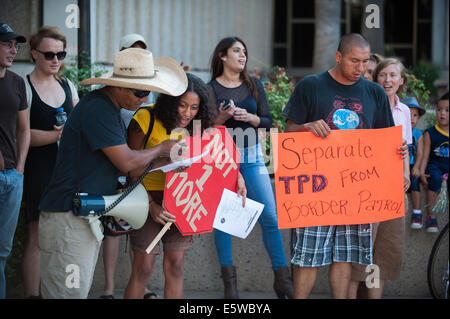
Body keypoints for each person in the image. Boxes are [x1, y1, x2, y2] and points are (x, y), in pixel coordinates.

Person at [37, 48, 188, 299]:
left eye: (149, 91)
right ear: (119, 86)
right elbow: (127, 161)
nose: (145, 97)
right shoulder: (100, 108)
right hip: (69, 215)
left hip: (80, 213)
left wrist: (163, 157)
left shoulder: (107, 107)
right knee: (68, 294)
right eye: (140, 91)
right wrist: (161, 148)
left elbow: (123, 163)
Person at [282, 33, 405, 299]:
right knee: (308, 257)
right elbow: (287, 133)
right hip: (316, 190)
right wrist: (306, 127)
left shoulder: (374, 93)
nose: (360, 68)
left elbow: (384, 141)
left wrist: (399, 151)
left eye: (364, 62)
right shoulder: (311, 85)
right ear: (338, 57)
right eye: (353, 61)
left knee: (345, 256)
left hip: (356, 191)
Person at [124, 73, 246, 299]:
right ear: (171, 101)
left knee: (177, 265)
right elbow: (129, 167)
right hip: (145, 196)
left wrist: (237, 178)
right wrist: (151, 204)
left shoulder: (199, 125)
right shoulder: (145, 118)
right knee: (143, 267)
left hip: (183, 198)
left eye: (194, 107)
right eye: (182, 105)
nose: (187, 113)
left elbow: (219, 159)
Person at [208, 36, 294, 299]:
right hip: (222, 158)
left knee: (270, 215)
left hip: (253, 154)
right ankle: (229, 284)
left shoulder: (253, 84)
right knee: (222, 220)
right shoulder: (210, 88)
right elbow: (205, 128)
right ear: (222, 56)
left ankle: (282, 279)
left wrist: (251, 117)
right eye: (236, 51)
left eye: (244, 51)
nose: (243, 56)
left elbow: (268, 121)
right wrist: (223, 117)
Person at [20, 26, 79, 299]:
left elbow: (79, 125)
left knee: (64, 237)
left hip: (66, 171)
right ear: (34, 54)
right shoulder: (25, 86)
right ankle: (33, 295)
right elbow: (20, 136)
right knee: (37, 237)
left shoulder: (68, 85)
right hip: (37, 169)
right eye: (49, 54)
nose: (56, 59)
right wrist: (57, 134)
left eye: (61, 54)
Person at [100, 33, 157, 300]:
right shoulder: (109, 87)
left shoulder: (147, 88)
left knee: (135, 226)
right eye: (132, 51)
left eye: (142, 52)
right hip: (112, 165)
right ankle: (109, 288)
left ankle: (140, 286)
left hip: (135, 164)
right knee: (112, 229)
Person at [349, 57, 412, 299]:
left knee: (385, 250)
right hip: (366, 185)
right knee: (361, 247)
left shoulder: (404, 110)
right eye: (382, 75)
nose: (387, 80)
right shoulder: (364, 105)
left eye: (393, 75)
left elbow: (403, 146)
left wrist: (405, 173)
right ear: (375, 80)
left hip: (393, 186)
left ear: (401, 80)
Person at [0, 22, 30, 300]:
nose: (13, 50)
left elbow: (24, 129)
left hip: (12, 177)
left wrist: (19, 168)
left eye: (16, 45)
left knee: (2, 251)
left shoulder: (17, 82)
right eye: (7, 44)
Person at [419, 92, 449, 232]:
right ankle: (431, 216)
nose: (442, 113)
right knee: (435, 179)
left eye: (447, 110)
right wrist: (422, 172)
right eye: (439, 109)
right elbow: (425, 156)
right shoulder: (430, 133)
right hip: (435, 165)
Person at [401, 96, 426, 229]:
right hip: (400, 166)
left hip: (412, 166)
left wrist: (417, 167)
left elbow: (420, 153)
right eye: (408, 115)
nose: (411, 119)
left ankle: (417, 212)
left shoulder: (418, 134)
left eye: (415, 115)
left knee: (415, 182)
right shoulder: (400, 131)